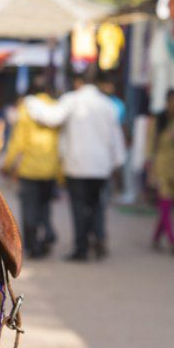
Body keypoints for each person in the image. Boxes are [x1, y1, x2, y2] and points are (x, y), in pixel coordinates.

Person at [28, 75, 127, 262]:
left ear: (78, 83)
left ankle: (81, 248)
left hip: (77, 166)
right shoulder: (107, 105)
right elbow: (116, 137)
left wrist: (31, 102)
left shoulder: (71, 100)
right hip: (101, 167)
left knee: (79, 208)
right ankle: (98, 238)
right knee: (97, 205)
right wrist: (117, 163)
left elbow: (50, 117)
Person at [3, 78, 61, 259]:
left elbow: (18, 140)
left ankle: (33, 246)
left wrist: (8, 164)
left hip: (29, 168)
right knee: (44, 207)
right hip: (51, 168)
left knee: (29, 209)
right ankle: (48, 233)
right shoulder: (56, 109)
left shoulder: (26, 110)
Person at [147, 90, 174, 255]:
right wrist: (150, 170)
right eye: (172, 102)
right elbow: (150, 147)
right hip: (160, 165)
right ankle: (173, 240)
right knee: (165, 204)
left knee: (167, 205)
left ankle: (156, 237)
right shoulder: (157, 120)